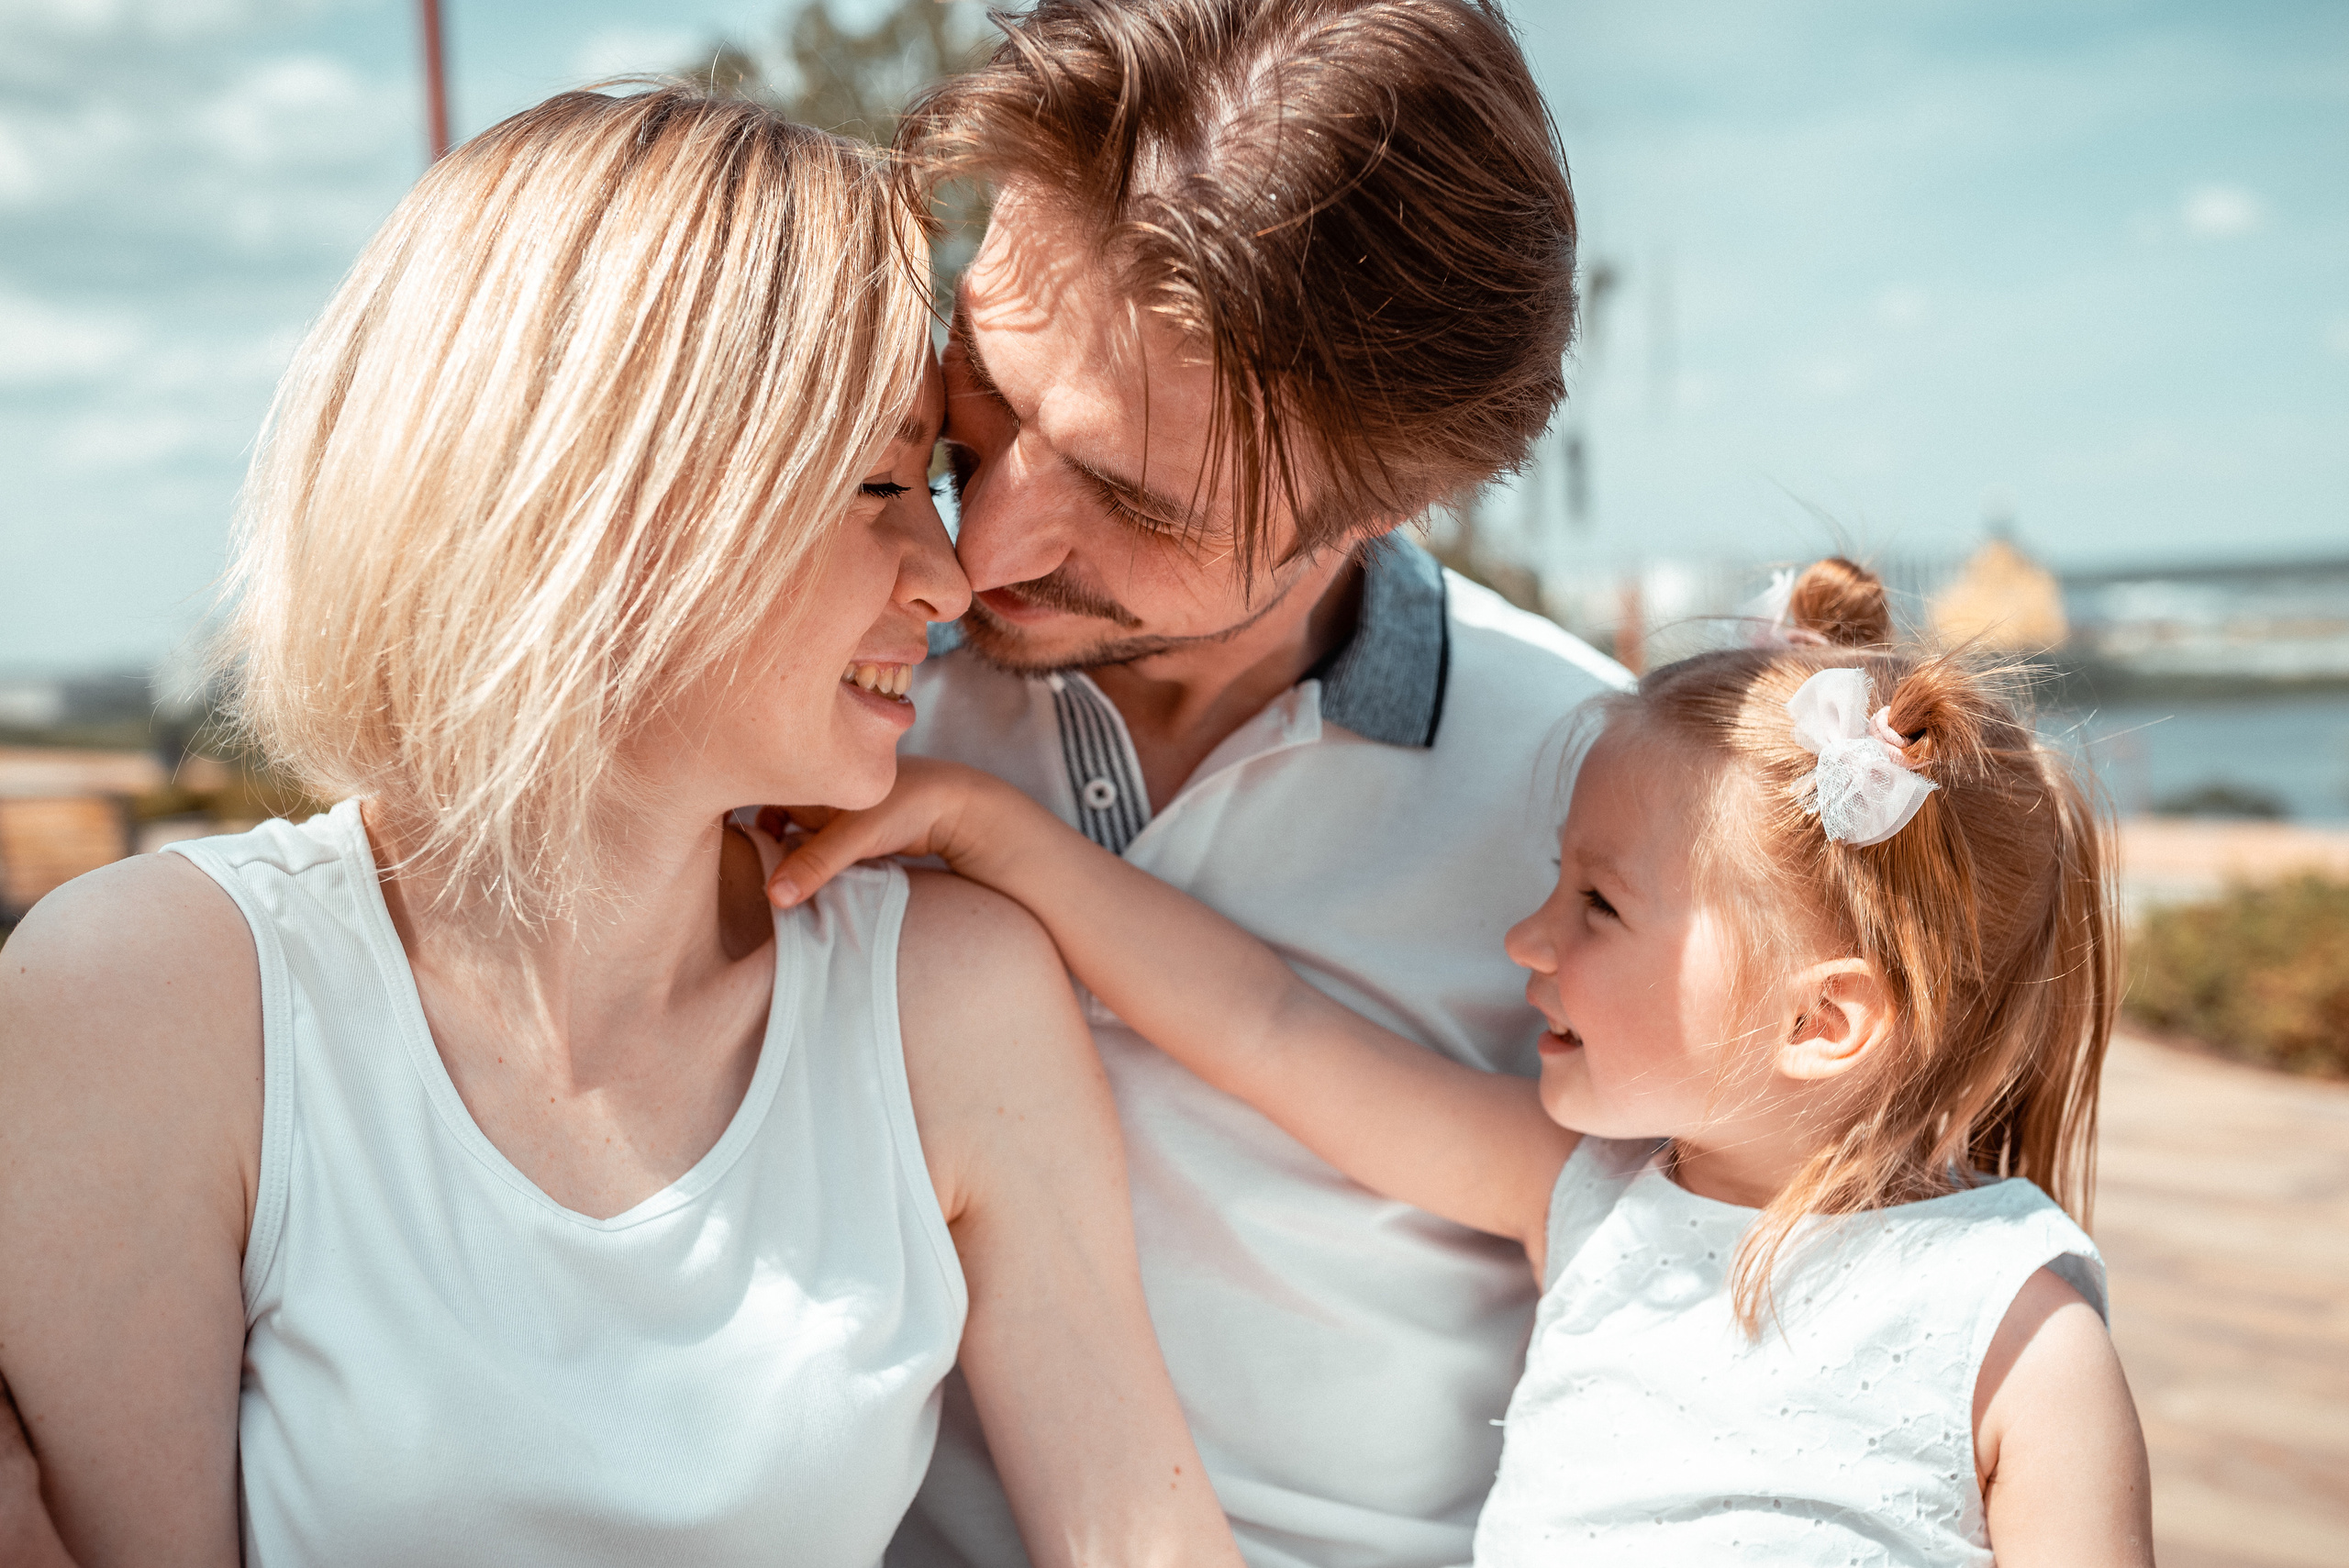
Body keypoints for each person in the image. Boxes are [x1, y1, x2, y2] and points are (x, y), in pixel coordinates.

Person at [0, 87, 1243, 1568]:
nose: (948, 575)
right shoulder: (158, 998)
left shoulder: (951, 1005)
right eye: (878, 482)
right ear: (611, 494)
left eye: (934, 483)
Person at [766, 558, 2160, 1566]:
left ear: (1826, 1020)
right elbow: (1266, 1026)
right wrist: (995, 835)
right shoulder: (1586, 1196)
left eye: (1597, 905)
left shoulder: (2015, 1325)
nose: (1523, 938)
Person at [871, 3, 1629, 1564]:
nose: (985, 545)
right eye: (993, 398)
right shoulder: (817, 700)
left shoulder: (1608, 813)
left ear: (1401, 496)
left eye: (1134, 501)